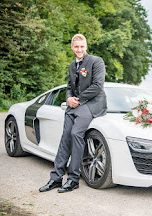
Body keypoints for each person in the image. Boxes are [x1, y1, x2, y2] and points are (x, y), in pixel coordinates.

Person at [39, 34, 107, 193]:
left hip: (93, 103)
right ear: (72, 47)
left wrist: (78, 99)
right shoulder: (71, 66)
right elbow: (70, 86)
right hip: (75, 104)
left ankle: (73, 179)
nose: (79, 50)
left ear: (86, 46)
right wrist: (69, 98)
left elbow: (98, 86)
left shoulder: (96, 62)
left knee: (76, 133)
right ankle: (56, 178)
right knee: (65, 138)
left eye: (82, 46)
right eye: (76, 47)